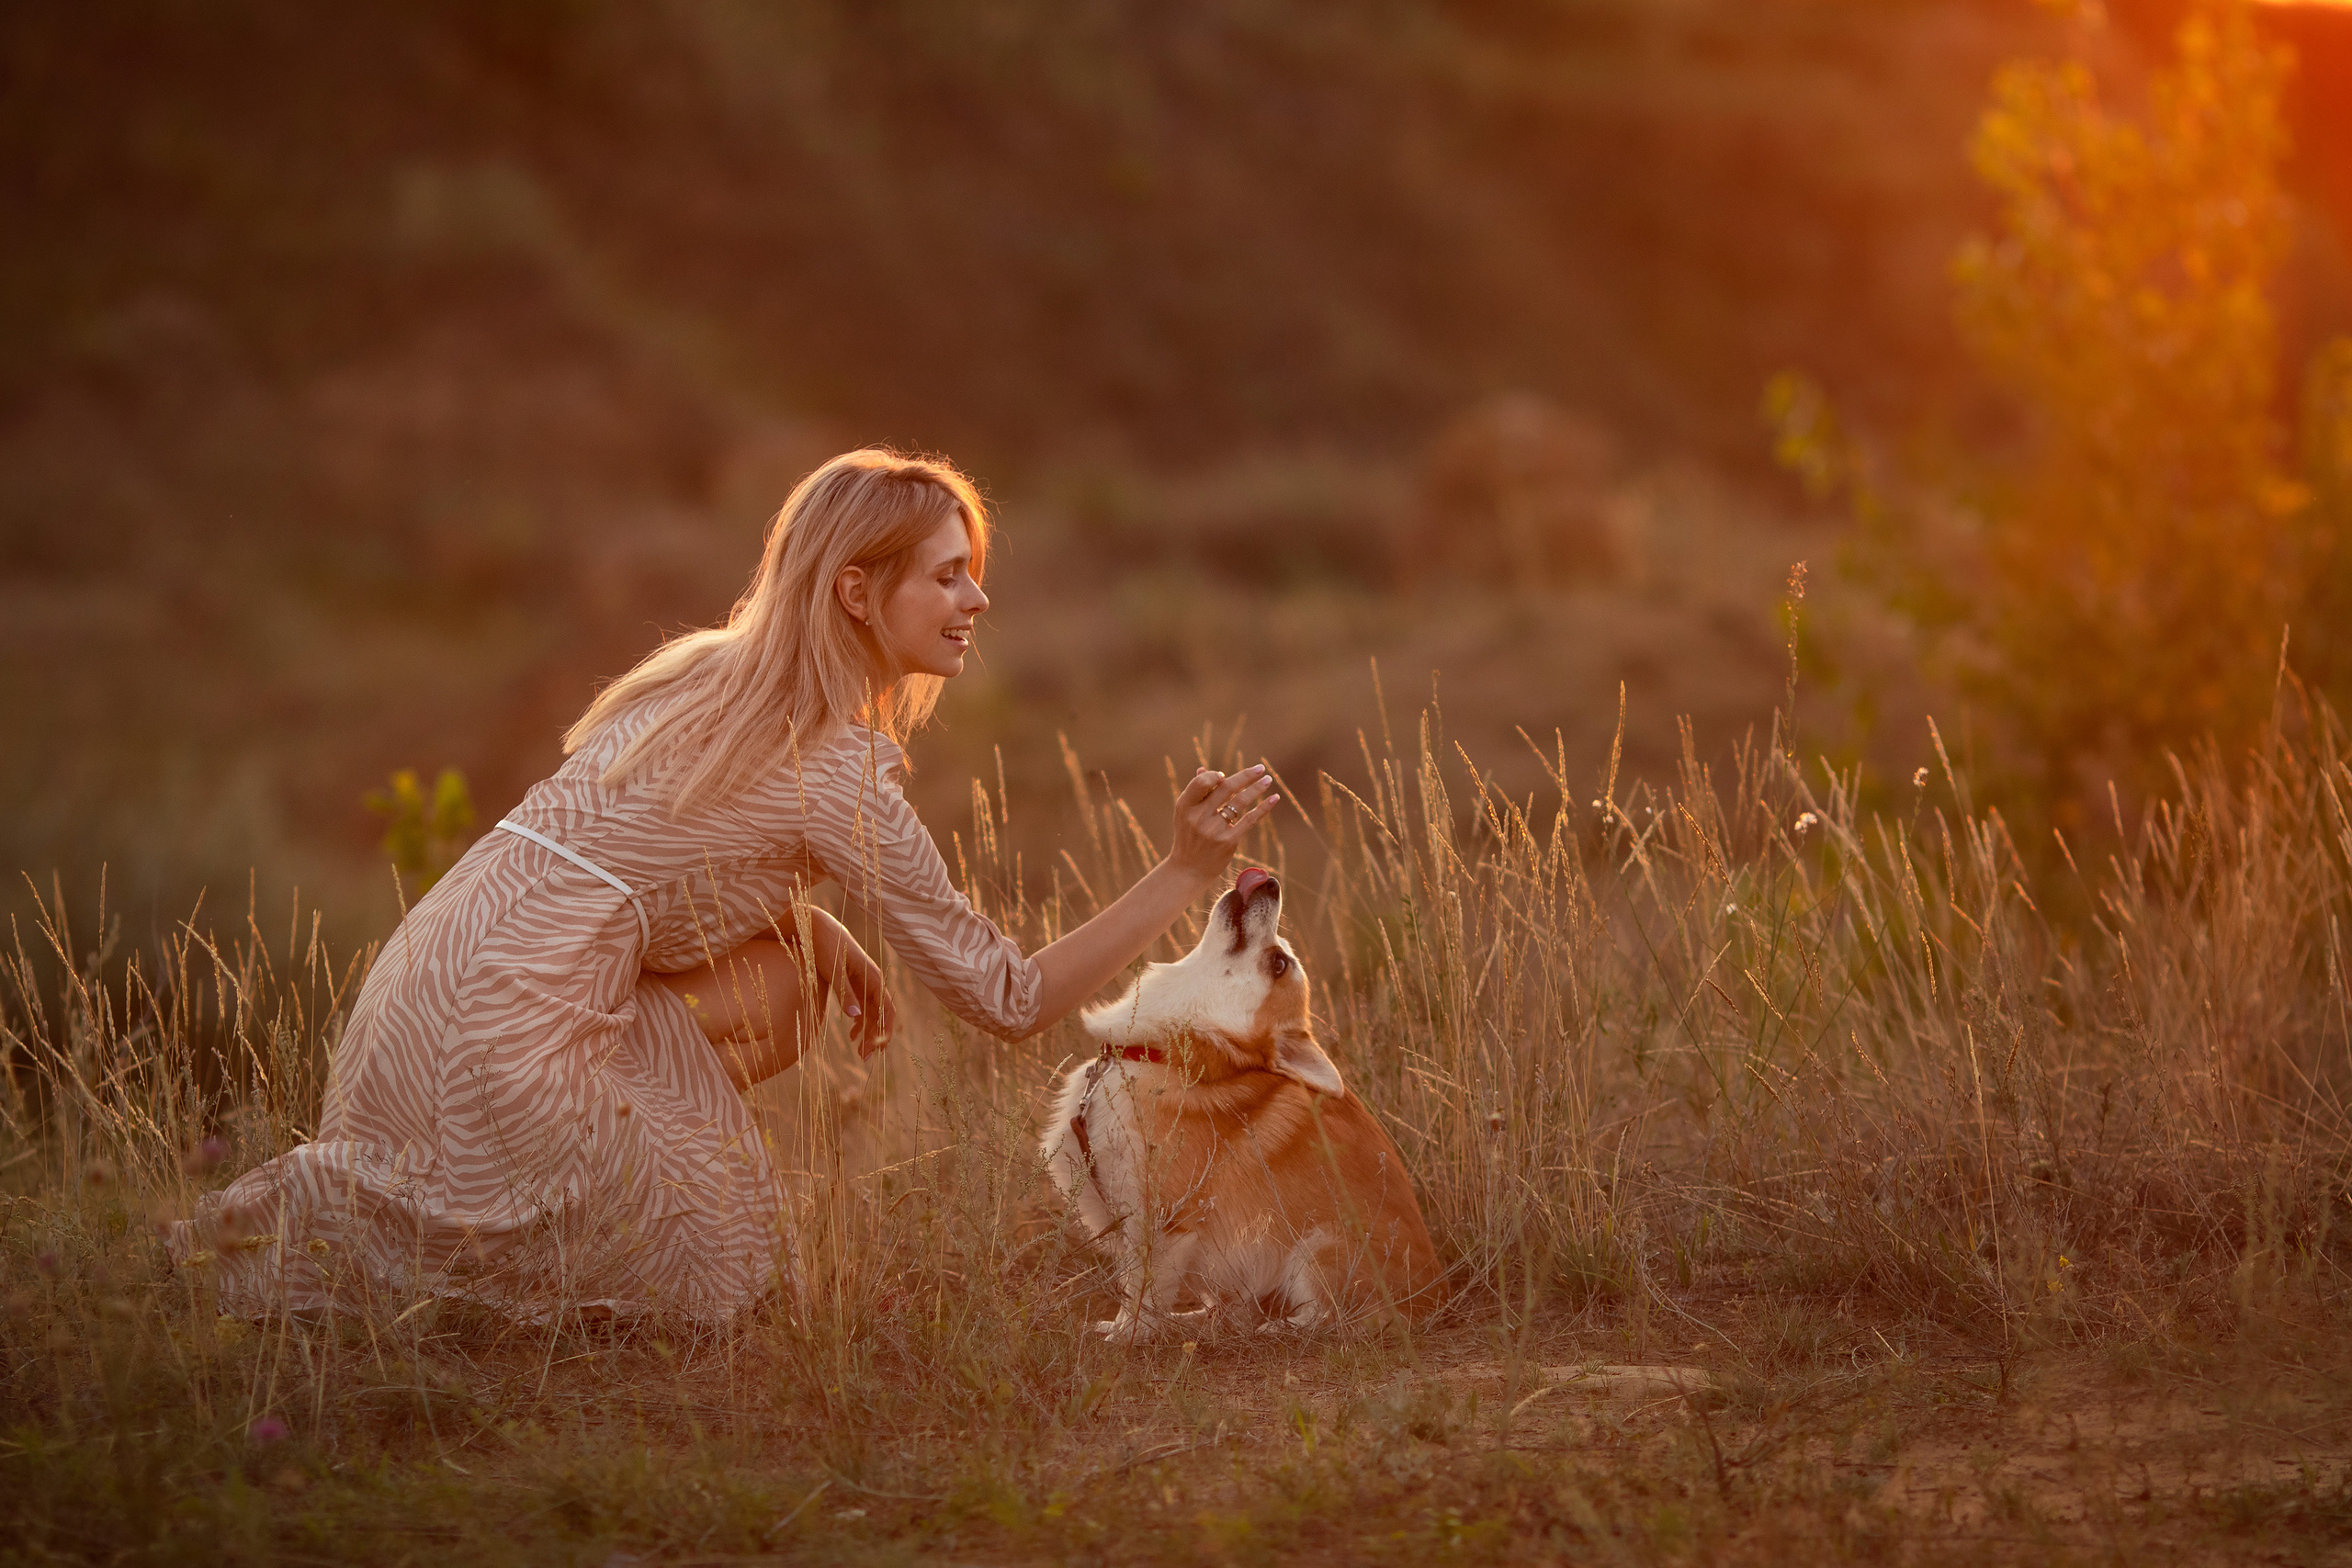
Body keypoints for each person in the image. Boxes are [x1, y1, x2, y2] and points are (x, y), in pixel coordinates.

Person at [166, 449, 1279, 1320]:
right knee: (714, 1278)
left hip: (418, 1001)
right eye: (947, 575)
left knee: (788, 983)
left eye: (973, 572)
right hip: (507, 1042)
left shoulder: (708, 676)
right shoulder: (831, 766)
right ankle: (438, 1238)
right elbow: (1004, 1000)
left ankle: (379, 1220)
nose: (976, 599)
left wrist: (815, 930)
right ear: (855, 590)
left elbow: (633, 866)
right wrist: (1182, 872)